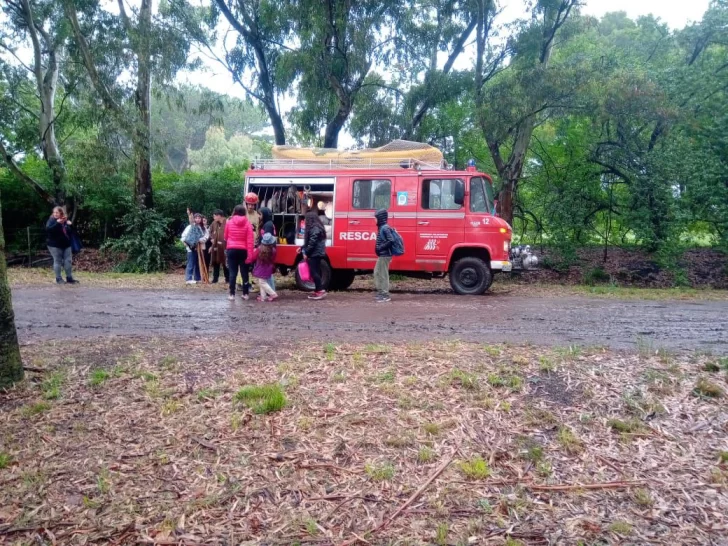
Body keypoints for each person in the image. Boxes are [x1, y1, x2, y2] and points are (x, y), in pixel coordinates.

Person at [224, 205, 254, 300]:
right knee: (244, 273)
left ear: (234, 211)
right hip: (243, 250)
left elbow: (225, 236)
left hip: (231, 249)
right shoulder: (248, 223)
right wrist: (250, 255)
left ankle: (232, 294)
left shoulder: (229, 222)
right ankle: (245, 294)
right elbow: (250, 240)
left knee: (233, 273)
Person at [46, 206, 78, 284]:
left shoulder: (65, 220)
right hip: (54, 245)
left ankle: (69, 278)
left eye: (57, 212)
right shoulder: (51, 220)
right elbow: (49, 230)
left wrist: (70, 225)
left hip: (66, 244)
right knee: (58, 261)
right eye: (54, 212)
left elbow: (71, 232)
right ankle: (58, 279)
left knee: (68, 261)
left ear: (61, 213)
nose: (55, 214)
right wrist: (57, 223)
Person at [301, 211, 327, 300]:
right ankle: (317, 291)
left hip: (315, 254)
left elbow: (312, 243)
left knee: (314, 272)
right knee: (315, 272)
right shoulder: (317, 227)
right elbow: (311, 242)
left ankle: (320, 291)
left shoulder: (314, 228)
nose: (305, 221)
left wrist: (306, 253)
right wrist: (302, 248)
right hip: (317, 253)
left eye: (306, 219)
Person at [181, 213, 209, 285]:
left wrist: (200, 240)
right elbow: (184, 236)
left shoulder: (204, 228)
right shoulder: (190, 227)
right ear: (194, 219)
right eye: (196, 218)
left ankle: (198, 278)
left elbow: (206, 237)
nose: (197, 219)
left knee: (198, 263)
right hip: (191, 248)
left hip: (200, 248)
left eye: (199, 218)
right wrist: (187, 242)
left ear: (201, 219)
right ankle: (189, 279)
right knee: (191, 263)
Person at [374, 208, 395, 303]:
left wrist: (380, 248)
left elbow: (391, 240)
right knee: (377, 272)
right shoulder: (382, 227)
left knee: (383, 274)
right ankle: (381, 292)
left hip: (385, 255)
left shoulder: (385, 228)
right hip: (383, 255)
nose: (374, 220)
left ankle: (385, 294)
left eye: (376, 218)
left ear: (380, 218)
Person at [251, 233, 278, 302]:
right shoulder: (273, 250)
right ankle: (263, 297)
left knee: (262, 282)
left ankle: (273, 294)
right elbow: (273, 259)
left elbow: (253, 257)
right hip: (269, 268)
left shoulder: (259, 249)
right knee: (262, 282)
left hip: (261, 268)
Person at [208, 209, 228, 284]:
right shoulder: (214, 223)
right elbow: (209, 232)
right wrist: (212, 238)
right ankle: (215, 279)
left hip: (225, 246)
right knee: (216, 262)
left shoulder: (227, 222)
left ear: (219, 215)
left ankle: (228, 278)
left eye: (214, 216)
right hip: (216, 246)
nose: (214, 218)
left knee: (225, 261)